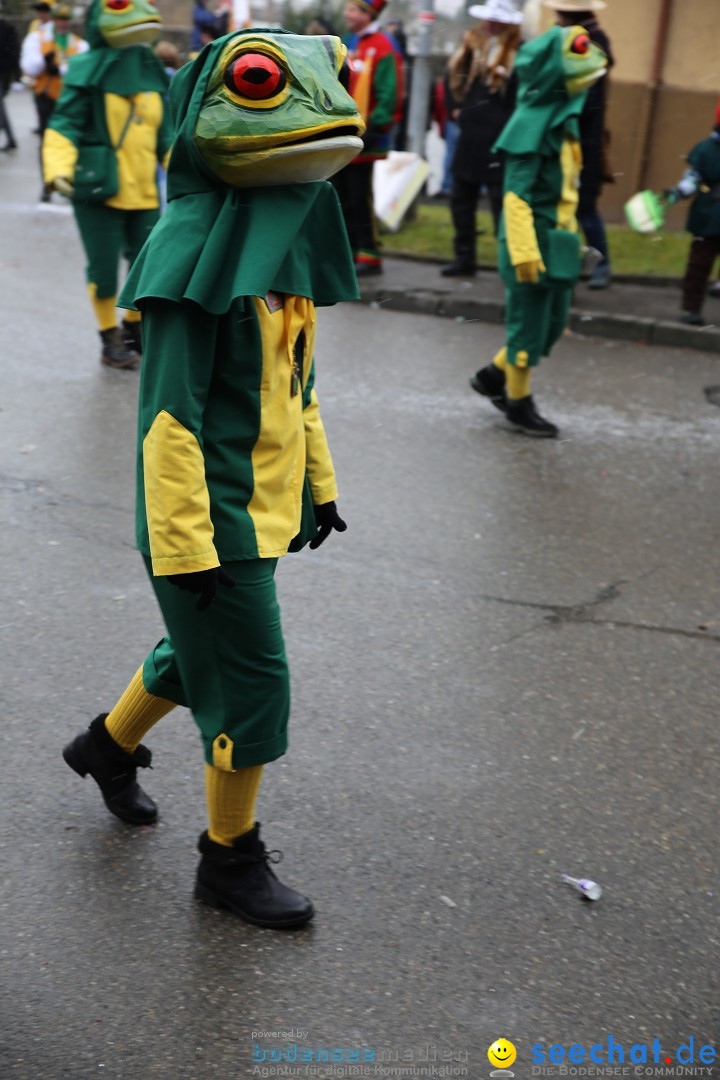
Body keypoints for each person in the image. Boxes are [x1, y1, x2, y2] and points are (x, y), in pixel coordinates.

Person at [61, 28, 364, 929]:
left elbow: (297, 385)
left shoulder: (282, 251)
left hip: (260, 507)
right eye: (266, 82)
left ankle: (104, 747)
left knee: (202, 656)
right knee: (252, 679)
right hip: (207, 521)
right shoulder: (190, 249)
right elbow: (167, 421)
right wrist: (189, 545)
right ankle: (227, 861)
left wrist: (319, 481)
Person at [469, 22, 607, 437]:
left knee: (551, 327)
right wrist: (524, 250)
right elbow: (516, 197)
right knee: (528, 327)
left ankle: (494, 375)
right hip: (530, 242)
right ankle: (518, 401)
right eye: (580, 49)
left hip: (560, 240)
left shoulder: (564, 124)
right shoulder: (531, 126)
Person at [42, 0, 172, 368]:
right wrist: (58, 167)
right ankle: (107, 338)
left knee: (147, 264)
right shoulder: (89, 71)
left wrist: (191, 178)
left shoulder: (150, 73)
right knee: (102, 271)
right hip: (99, 189)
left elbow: (167, 136)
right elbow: (64, 123)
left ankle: (133, 327)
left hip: (144, 190)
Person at [441, 0, 523, 278]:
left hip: (499, 141)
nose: (490, 24)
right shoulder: (473, 46)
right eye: (489, 19)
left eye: (497, 20)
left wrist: (505, 125)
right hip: (471, 138)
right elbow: (452, 77)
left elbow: (519, 98)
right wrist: (457, 109)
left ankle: (508, 263)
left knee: (503, 205)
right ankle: (464, 258)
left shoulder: (518, 54)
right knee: (461, 200)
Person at [543, 0, 614, 289]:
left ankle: (602, 265)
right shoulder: (577, 41)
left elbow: (585, 101)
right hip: (573, 138)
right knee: (570, 209)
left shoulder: (591, 46)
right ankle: (568, 265)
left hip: (584, 141)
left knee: (584, 208)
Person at [331, 0, 401, 276]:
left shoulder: (384, 45)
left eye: (352, 9)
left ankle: (370, 253)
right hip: (342, 134)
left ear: (366, 14)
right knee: (341, 195)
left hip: (366, 136)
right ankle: (348, 251)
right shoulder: (349, 42)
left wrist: (377, 126)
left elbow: (390, 92)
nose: (346, 14)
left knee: (361, 197)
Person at [21, 2, 88, 199]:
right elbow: (28, 66)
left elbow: (83, 69)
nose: (62, 24)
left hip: (70, 100)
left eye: (66, 20)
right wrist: (45, 61)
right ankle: (47, 183)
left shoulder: (78, 44)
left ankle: (68, 180)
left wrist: (61, 70)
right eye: (59, 19)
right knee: (46, 139)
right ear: (54, 19)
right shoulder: (38, 38)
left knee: (71, 138)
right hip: (46, 97)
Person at [666, 102, 720, 326]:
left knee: (699, 264)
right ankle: (691, 309)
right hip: (708, 217)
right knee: (699, 265)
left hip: (709, 216)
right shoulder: (706, 149)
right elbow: (692, 179)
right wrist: (678, 193)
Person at [0, 12, 20, 151]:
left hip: (2, 73)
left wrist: (15, 76)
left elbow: (13, 53)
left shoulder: (6, 28)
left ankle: (10, 138)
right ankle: (10, 138)